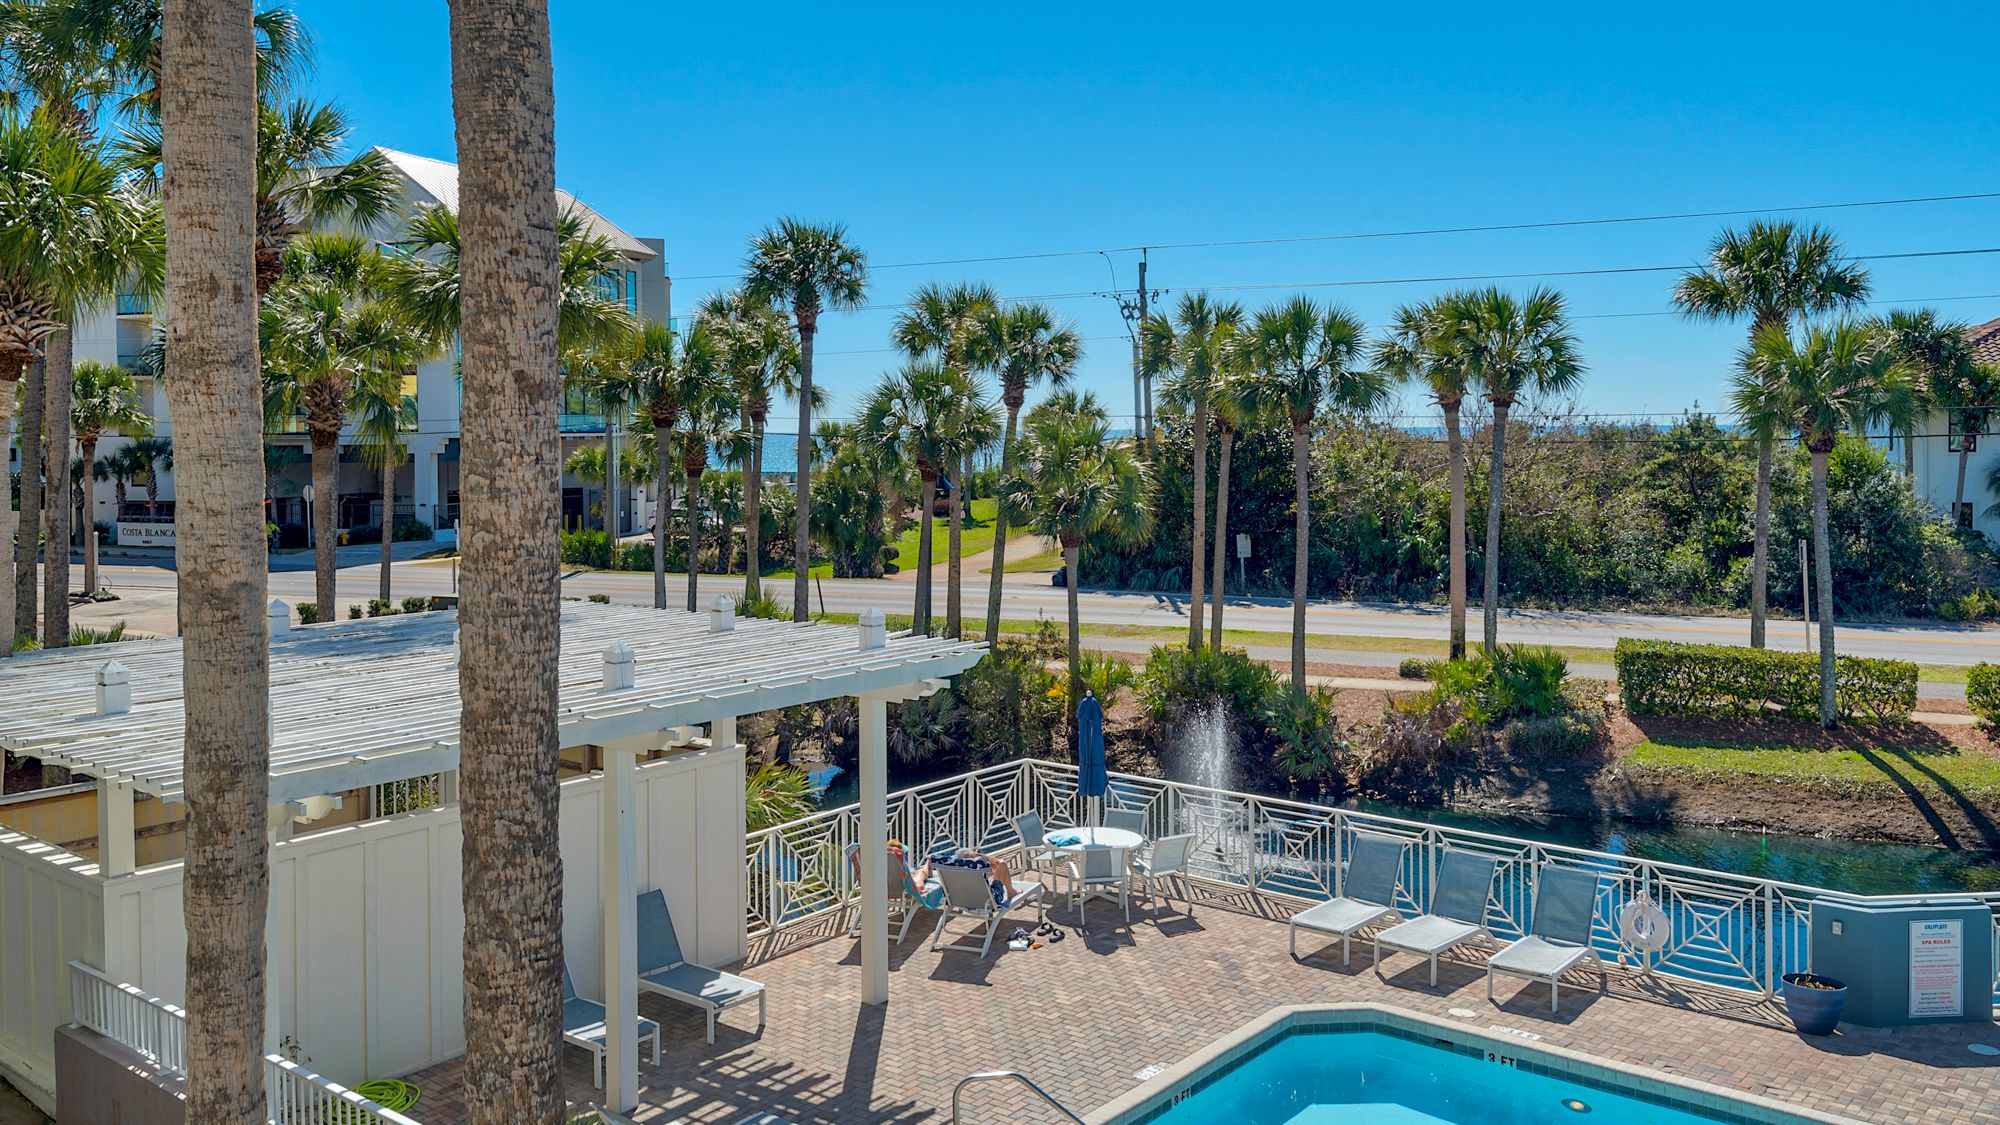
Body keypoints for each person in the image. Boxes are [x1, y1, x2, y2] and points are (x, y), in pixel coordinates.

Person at [915, 845, 1017, 905]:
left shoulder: (952, 866)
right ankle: (1010, 891)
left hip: (957, 899)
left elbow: (930, 857)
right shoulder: (980, 865)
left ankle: (1011, 890)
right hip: (988, 901)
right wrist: (982, 856)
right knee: (1002, 864)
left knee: (991, 872)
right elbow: (999, 864)